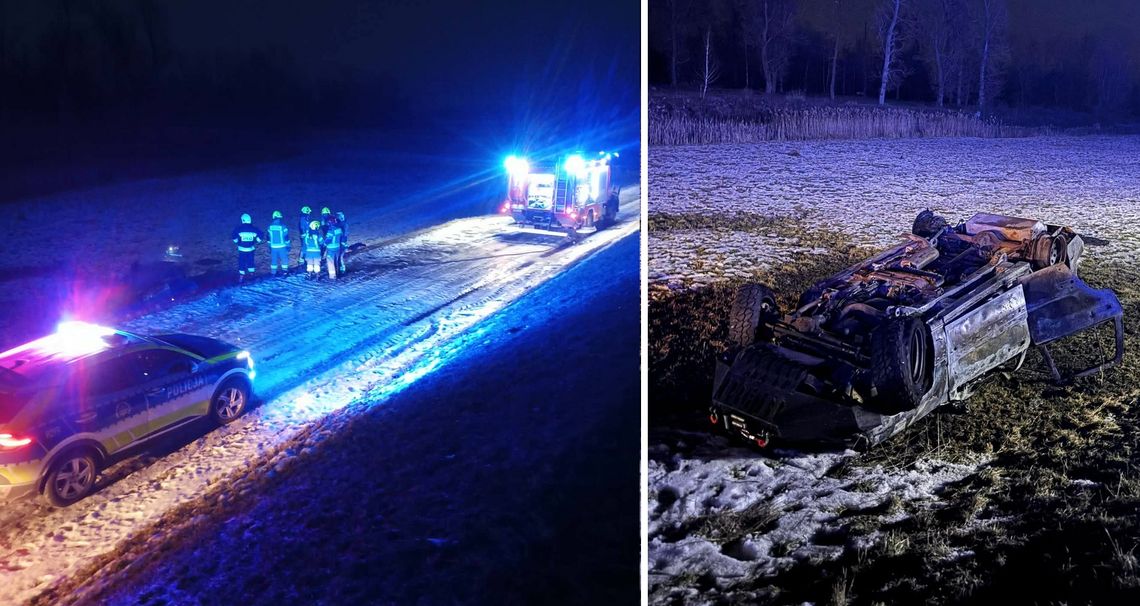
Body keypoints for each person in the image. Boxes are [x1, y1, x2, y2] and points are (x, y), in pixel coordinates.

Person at [231, 213, 264, 282]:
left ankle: (241, 277)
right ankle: (252, 275)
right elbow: (261, 235)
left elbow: (234, 236)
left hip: (242, 249)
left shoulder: (239, 229)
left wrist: (238, 242)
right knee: (250, 262)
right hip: (251, 249)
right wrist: (256, 241)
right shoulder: (254, 229)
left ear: (242, 220)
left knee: (241, 262)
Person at [267, 210, 290, 275]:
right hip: (282, 246)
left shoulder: (270, 227)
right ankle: (285, 272)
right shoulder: (283, 226)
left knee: (274, 261)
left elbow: (268, 238)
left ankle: (273, 273)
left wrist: (269, 246)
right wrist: (288, 245)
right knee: (284, 260)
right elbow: (286, 237)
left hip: (273, 247)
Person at [323, 214, 344, 280]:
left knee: (330, 262)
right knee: (336, 261)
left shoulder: (331, 230)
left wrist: (324, 244)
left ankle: (332, 276)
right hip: (337, 247)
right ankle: (337, 273)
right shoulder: (339, 229)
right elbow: (341, 237)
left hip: (331, 248)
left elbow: (328, 239)